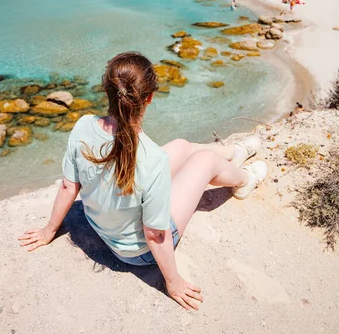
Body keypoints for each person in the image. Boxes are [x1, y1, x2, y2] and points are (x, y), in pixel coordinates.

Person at [19, 53, 267, 311]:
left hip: (104, 227)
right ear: (149, 98)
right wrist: (173, 282)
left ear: (107, 91)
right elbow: (154, 233)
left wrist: (49, 230)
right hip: (138, 253)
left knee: (182, 146)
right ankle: (246, 180)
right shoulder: (152, 158)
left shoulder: (83, 125)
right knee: (203, 160)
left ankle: (234, 152)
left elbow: (69, 186)